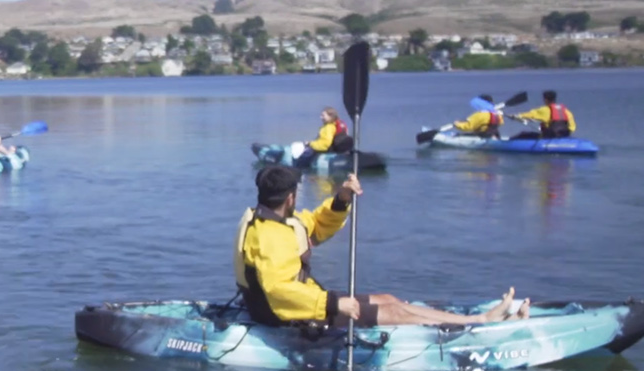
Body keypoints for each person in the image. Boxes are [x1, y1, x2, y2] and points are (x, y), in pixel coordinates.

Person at [233, 165, 530, 328]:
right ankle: (480, 322)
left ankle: (476, 319)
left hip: (305, 301)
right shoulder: (268, 237)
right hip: (283, 313)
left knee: (388, 299)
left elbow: (315, 224)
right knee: (396, 315)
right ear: (291, 197)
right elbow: (276, 289)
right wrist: (332, 304)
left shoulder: (280, 219)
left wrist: (342, 199)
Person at [509, 90, 576, 139]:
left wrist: (515, 116)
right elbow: (572, 128)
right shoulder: (566, 111)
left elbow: (530, 114)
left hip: (548, 137)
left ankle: (506, 144)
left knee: (523, 134)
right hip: (564, 136)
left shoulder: (544, 110)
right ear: (554, 99)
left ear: (545, 100)